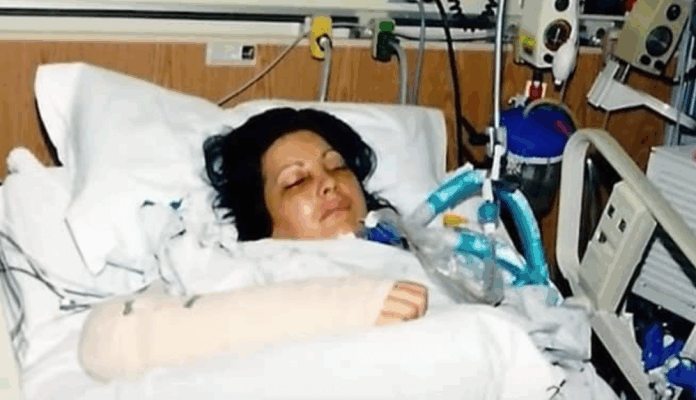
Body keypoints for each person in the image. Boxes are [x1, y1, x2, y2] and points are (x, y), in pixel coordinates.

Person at [203, 107, 428, 325]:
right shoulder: (255, 288)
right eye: (296, 181)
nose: (330, 182)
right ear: (261, 221)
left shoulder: (426, 253)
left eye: (338, 166)